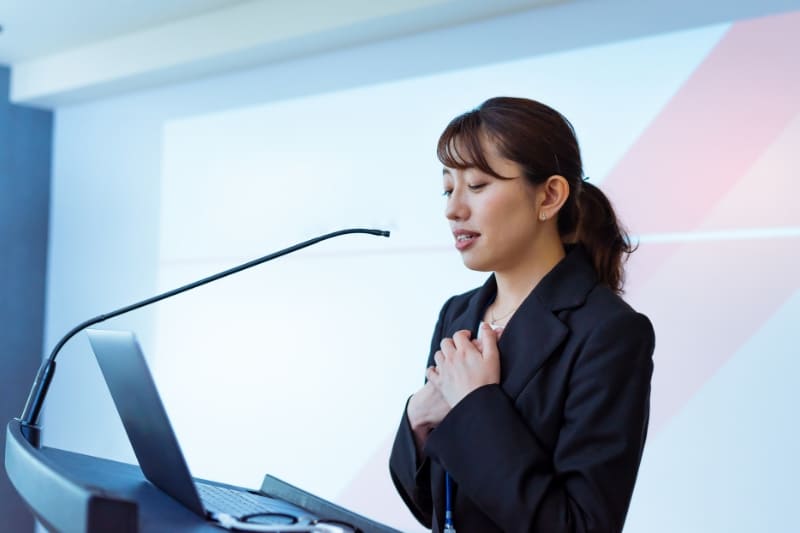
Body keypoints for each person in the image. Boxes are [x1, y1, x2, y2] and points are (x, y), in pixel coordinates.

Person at [389, 97, 655, 533]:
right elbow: (434, 507)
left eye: (476, 186)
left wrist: (475, 405)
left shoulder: (609, 332)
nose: (453, 209)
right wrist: (419, 418)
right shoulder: (457, 313)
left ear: (549, 195)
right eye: (447, 188)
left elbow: (581, 527)